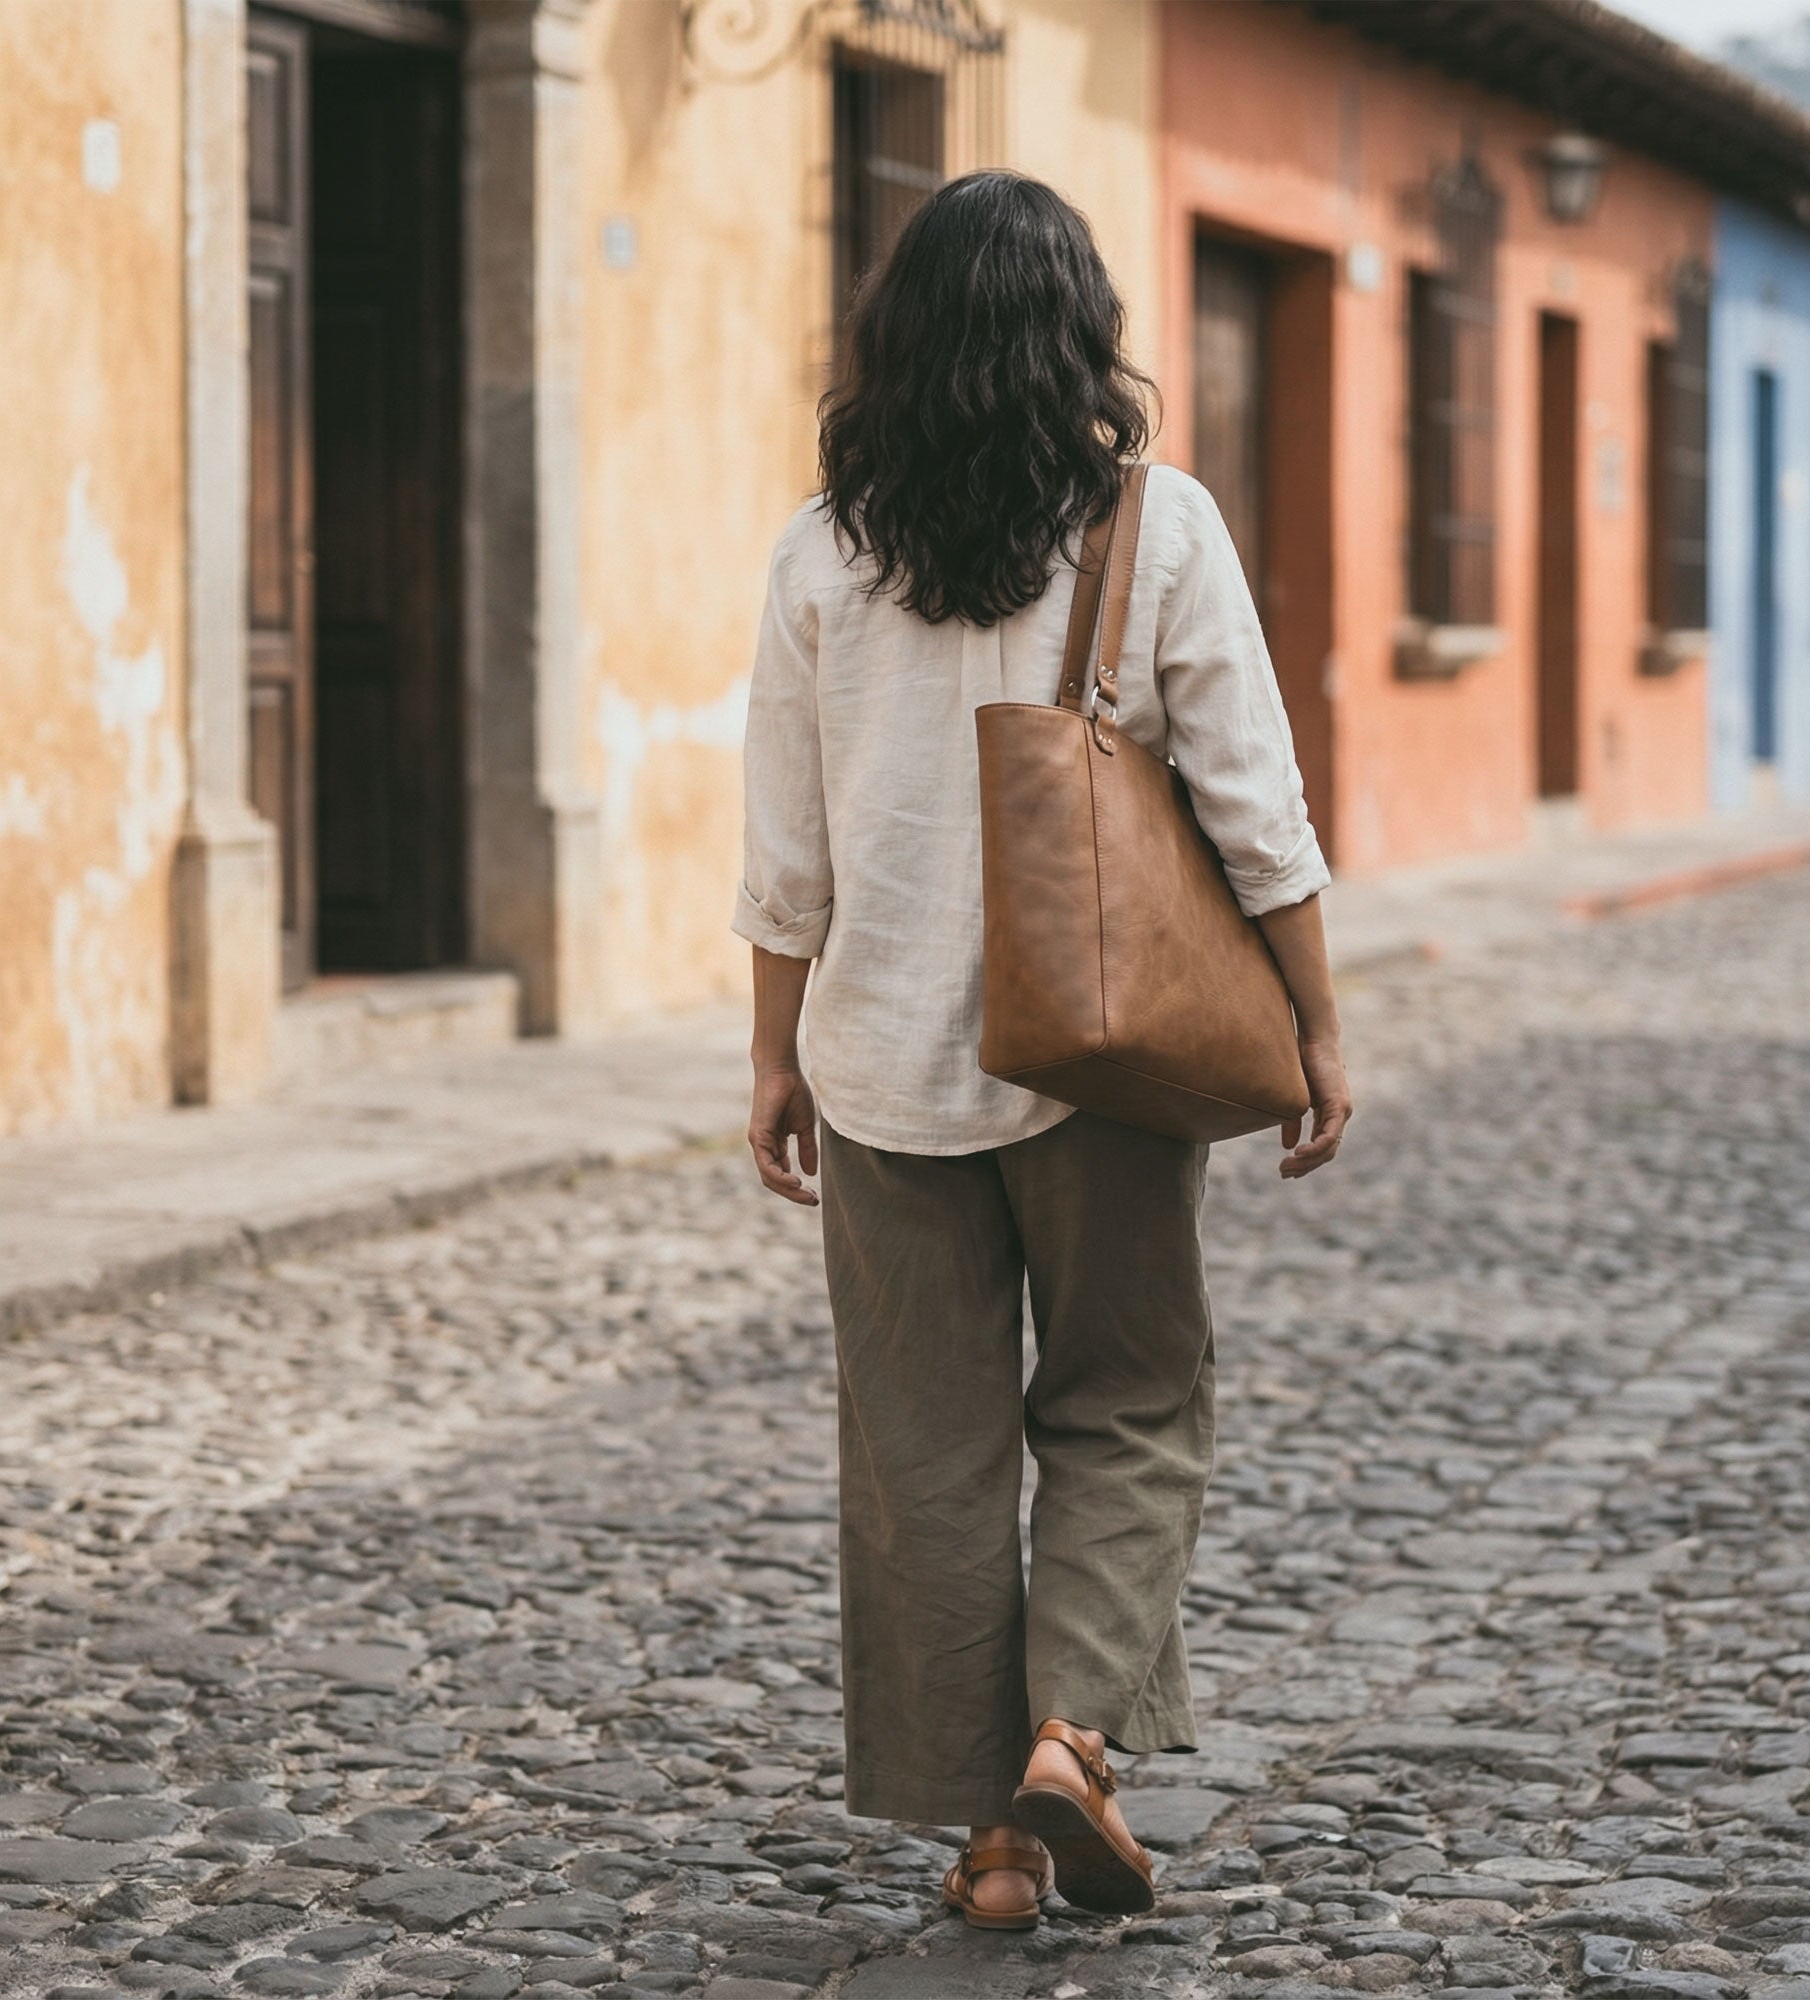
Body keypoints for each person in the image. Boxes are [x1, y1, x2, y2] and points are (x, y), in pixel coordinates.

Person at [732, 171, 1352, 1931]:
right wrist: (1314, 1017)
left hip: (881, 1065)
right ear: (1084, 335)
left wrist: (769, 1056)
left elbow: (788, 846)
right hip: (1102, 1060)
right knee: (1129, 1402)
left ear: (898, 339)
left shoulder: (819, 548)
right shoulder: (1157, 529)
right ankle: (1068, 1743)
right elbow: (1253, 798)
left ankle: (992, 1845)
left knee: (923, 1454)